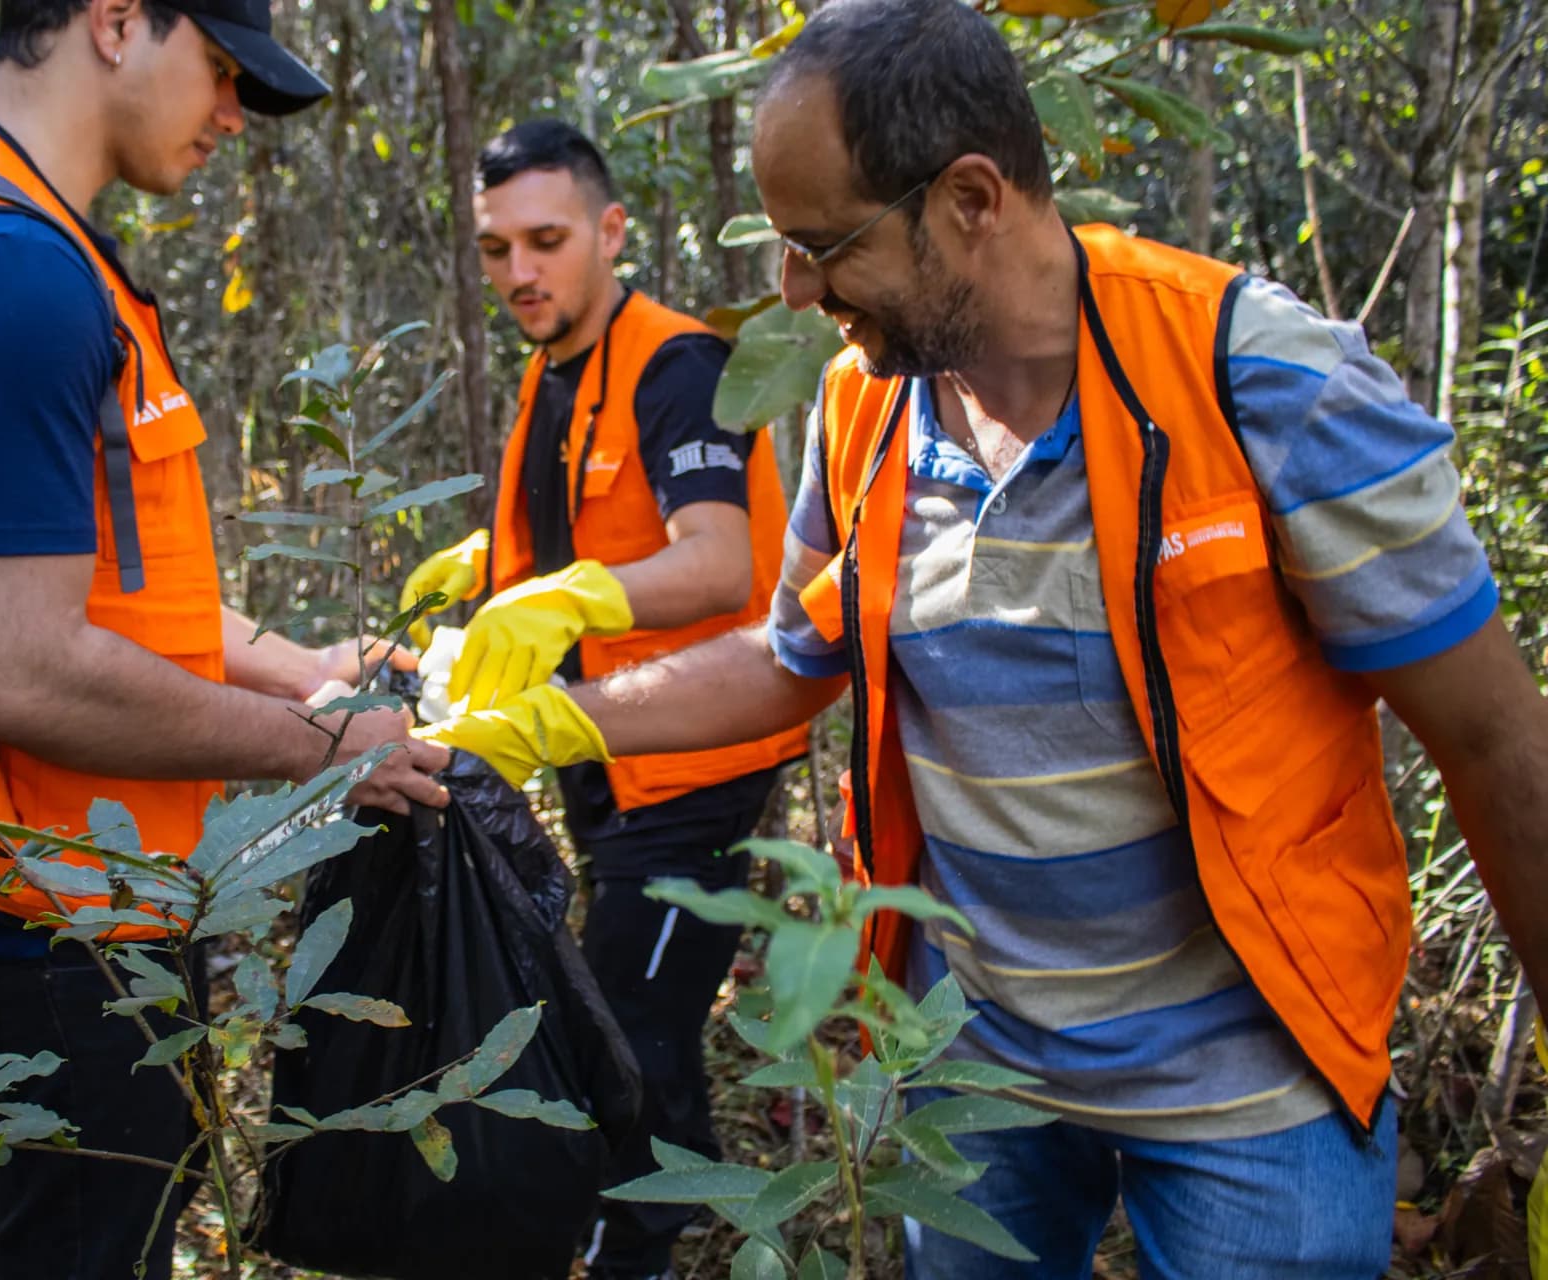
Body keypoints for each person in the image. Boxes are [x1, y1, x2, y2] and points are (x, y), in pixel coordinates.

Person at [420, 2, 1548, 1276]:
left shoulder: (1255, 379)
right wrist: (561, 715)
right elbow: (792, 656)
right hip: (973, 1071)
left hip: (1255, 1083)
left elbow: (1496, 735)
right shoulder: (863, 404)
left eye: (822, 245)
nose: (794, 289)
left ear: (970, 199)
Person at [0, 2, 449, 1275]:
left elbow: (96, 597)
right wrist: (325, 746)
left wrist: (297, 666)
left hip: (91, 892)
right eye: (222, 70)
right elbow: (19, 662)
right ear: (115, 21)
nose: (231, 113)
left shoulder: (40, 256)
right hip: (31, 909)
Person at [407, 121, 808, 1280]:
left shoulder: (678, 364)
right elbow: (599, 517)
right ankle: (689, 1188)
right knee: (634, 1013)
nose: (520, 273)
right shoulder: (559, 372)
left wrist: (566, 596)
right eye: (495, 250)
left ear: (610, 230)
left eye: (545, 241)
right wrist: (487, 563)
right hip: (603, 749)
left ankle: (633, 1248)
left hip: (694, 761)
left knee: (630, 1026)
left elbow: (718, 559)